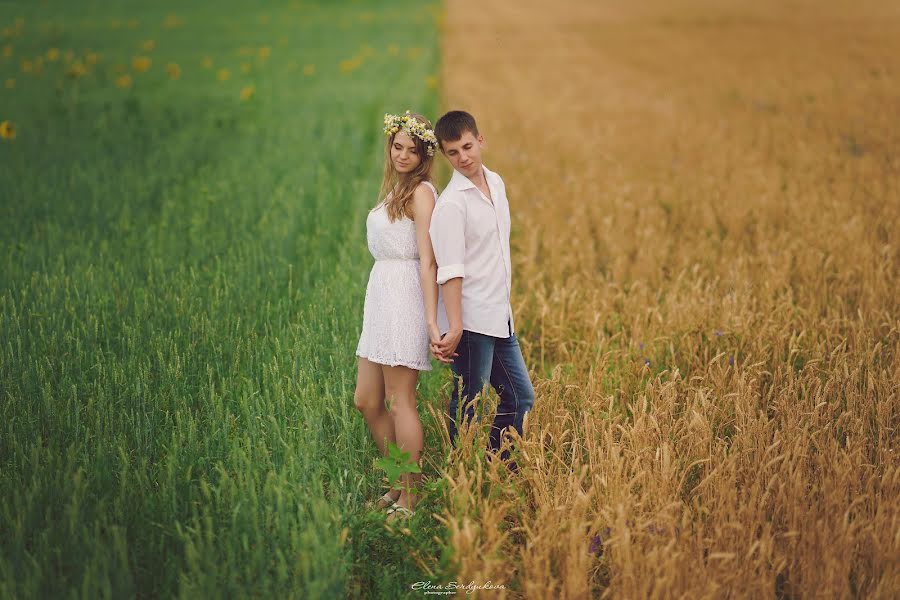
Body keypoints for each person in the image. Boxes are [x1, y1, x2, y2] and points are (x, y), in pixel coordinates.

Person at [428, 110, 535, 472]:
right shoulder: (451, 205)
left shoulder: (497, 184)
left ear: (480, 139)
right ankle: (458, 476)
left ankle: (496, 469)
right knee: (467, 404)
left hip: (498, 315)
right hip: (470, 321)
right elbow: (450, 271)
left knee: (520, 397)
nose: (464, 157)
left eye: (468, 146)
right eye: (454, 152)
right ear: (445, 155)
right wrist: (454, 326)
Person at [354, 111, 444, 521]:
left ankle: (410, 497)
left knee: (399, 400)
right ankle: (396, 483)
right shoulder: (393, 189)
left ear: (425, 154)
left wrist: (430, 321)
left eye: (413, 149)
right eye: (398, 146)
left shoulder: (422, 192)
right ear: (389, 147)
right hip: (380, 298)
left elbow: (429, 260)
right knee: (367, 400)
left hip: (406, 298)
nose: (403, 155)